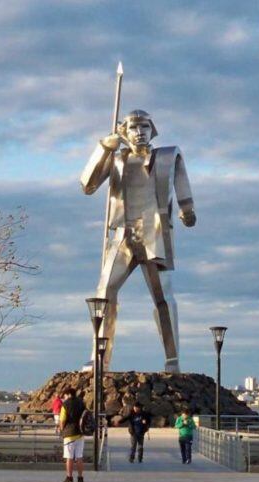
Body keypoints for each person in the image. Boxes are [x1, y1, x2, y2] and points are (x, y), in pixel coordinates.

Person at [80, 109, 196, 373]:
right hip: (123, 235)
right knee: (104, 292)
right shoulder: (117, 158)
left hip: (154, 234)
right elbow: (87, 185)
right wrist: (103, 149)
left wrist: (187, 208)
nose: (139, 132)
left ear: (152, 130)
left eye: (144, 127)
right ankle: (99, 357)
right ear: (123, 132)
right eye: (133, 128)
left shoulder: (168, 156)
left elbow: (182, 183)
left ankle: (172, 359)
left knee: (163, 297)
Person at [58, 388, 85, 482]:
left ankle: (69, 478)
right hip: (80, 433)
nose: (64, 397)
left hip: (69, 434)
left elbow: (62, 421)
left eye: (64, 395)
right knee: (79, 457)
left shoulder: (65, 404)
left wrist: (61, 430)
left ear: (68, 394)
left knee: (69, 457)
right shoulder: (81, 402)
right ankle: (80, 478)